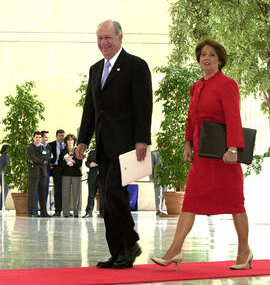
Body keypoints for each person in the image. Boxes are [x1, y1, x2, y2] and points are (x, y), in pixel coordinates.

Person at [151, 38, 252, 271]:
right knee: (190, 201)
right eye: (203, 54)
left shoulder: (227, 85)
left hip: (225, 157)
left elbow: (233, 118)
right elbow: (191, 118)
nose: (206, 58)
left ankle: (244, 250)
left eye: (212, 55)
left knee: (235, 204)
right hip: (202, 156)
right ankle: (174, 250)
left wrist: (233, 149)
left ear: (220, 60)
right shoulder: (196, 87)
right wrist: (187, 143)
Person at [76, 20, 152, 269]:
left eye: (107, 37)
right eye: (99, 38)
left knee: (112, 194)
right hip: (104, 146)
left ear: (120, 38)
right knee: (108, 200)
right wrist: (83, 140)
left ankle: (130, 242)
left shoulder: (135, 66)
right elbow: (91, 108)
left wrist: (142, 138)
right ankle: (119, 251)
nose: (103, 42)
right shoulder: (96, 69)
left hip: (127, 145)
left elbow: (144, 105)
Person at [27, 131, 51, 217]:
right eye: (36, 137)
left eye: (39, 137)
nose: (38, 139)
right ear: (33, 138)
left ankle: (44, 212)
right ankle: (31, 211)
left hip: (43, 173)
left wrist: (37, 159)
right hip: (34, 173)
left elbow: (48, 157)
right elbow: (33, 159)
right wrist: (42, 160)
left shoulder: (43, 148)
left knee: (43, 193)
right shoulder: (30, 148)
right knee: (32, 192)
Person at [59, 134, 82, 218]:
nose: (70, 142)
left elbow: (79, 163)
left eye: (71, 140)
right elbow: (60, 163)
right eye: (68, 140)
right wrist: (65, 161)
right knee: (65, 194)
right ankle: (66, 213)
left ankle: (76, 213)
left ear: (74, 141)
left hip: (76, 174)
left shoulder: (78, 151)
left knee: (76, 194)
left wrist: (73, 160)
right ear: (66, 142)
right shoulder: (63, 151)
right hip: (65, 174)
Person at [33, 130, 52, 214]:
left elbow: (49, 158)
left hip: (46, 171)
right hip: (37, 171)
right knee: (36, 190)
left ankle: (44, 211)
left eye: (47, 137)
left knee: (45, 191)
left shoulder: (48, 147)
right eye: (45, 137)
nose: (46, 139)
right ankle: (35, 210)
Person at [83, 149, 104, 218]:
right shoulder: (92, 152)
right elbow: (87, 162)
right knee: (91, 195)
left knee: (103, 196)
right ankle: (88, 212)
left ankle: (103, 213)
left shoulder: (107, 152)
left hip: (103, 178)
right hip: (92, 177)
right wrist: (90, 164)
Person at [49, 129, 65, 217]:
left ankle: (65, 210)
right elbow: (47, 155)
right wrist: (49, 164)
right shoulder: (51, 145)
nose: (61, 137)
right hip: (56, 169)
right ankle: (58, 210)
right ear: (56, 136)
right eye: (60, 136)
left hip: (66, 169)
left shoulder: (67, 145)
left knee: (66, 190)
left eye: (63, 136)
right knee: (58, 190)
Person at [150, 150, 166, 216]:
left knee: (164, 193)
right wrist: (151, 177)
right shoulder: (153, 153)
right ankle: (158, 210)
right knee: (158, 193)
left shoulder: (167, 153)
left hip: (165, 177)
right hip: (157, 176)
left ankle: (161, 210)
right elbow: (151, 166)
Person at [0, 145, 10, 210]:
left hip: (1, 174)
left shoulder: (1, 157)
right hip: (4, 176)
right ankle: (1, 205)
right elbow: (7, 166)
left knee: (3, 190)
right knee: (5, 190)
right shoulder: (6, 157)